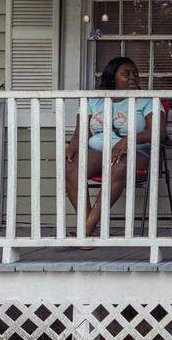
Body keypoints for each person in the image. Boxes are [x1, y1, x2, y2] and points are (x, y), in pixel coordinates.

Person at [64, 57, 166, 233]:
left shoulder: (148, 100)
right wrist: (72, 147)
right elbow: (79, 135)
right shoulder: (93, 101)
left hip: (136, 154)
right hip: (97, 153)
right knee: (71, 165)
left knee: (119, 166)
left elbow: (158, 132)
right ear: (112, 78)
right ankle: (90, 228)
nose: (133, 77)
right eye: (126, 74)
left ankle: (85, 229)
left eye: (135, 73)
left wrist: (126, 141)